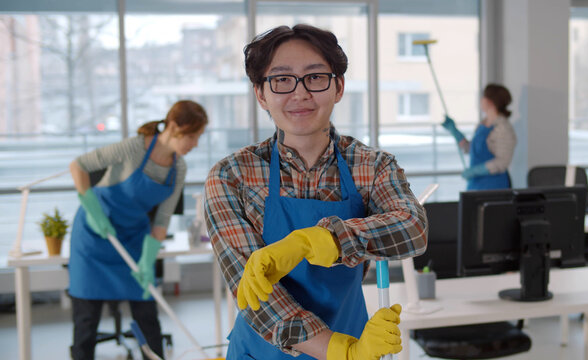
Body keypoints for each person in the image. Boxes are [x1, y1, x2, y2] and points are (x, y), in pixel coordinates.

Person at [204, 24, 428, 360]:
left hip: (356, 340)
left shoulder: (372, 166)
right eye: (281, 79)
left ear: (338, 87)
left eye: (315, 77)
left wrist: (319, 240)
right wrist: (340, 350)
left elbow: (414, 229)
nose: (300, 94)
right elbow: (253, 296)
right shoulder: (232, 176)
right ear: (261, 94)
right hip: (271, 351)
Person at [68, 100, 208, 360]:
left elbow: (162, 219)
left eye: (197, 137)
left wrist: (147, 260)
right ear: (174, 126)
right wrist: (92, 208)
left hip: (133, 238)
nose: (195, 144)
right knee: (87, 322)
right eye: (191, 136)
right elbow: (79, 166)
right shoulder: (134, 148)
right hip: (95, 235)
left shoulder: (178, 168)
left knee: (147, 317)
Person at [442, 83, 517, 190]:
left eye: (483, 97)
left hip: (494, 186)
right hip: (476, 185)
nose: (481, 100)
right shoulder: (482, 124)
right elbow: (471, 149)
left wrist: (477, 170)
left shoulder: (503, 128)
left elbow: (502, 162)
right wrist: (455, 131)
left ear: (490, 101)